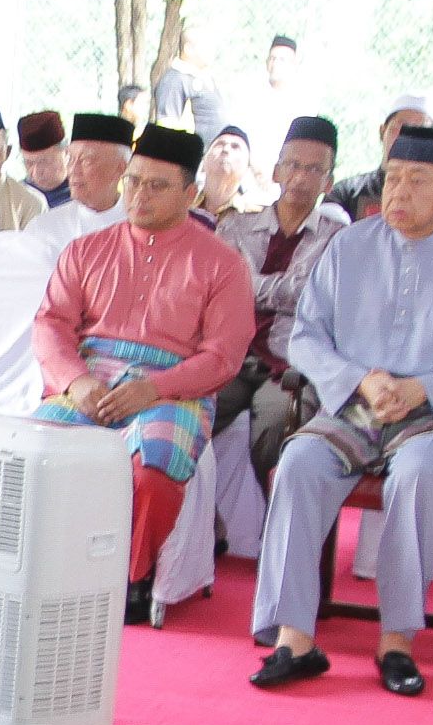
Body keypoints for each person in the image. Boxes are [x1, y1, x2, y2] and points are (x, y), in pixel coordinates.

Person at [250, 124, 433, 699]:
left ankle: (396, 642)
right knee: (301, 462)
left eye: (416, 182)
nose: (397, 194)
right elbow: (305, 339)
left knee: (418, 475)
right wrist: (361, 380)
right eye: (392, 179)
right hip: (359, 406)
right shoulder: (350, 246)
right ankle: (294, 638)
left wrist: (426, 387)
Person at [28, 123, 255, 622]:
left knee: (152, 468)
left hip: (175, 386)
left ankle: (133, 577)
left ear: (190, 192)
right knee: (36, 452)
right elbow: (50, 324)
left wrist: (153, 389)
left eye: (157, 185)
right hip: (90, 379)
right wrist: (76, 380)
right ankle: (47, 567)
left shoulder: (223, 264)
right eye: (133, 181)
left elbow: (222, 357)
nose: (139, 194)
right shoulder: (86, 250)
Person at [212, 113, 348, 482]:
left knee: (274, 427)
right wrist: (282, 288)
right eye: (293, 165)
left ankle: (266, 533)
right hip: (230, 356)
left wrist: (250, 285)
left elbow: (313, 298)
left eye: (314, 169)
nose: (301, 177)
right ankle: (202, 527)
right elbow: (222, 289)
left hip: (291, 365)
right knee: (190, 414)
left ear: (328, 182)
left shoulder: (338, 240)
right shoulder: (235, 225)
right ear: (275, 171)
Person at [17, 111, 131, 259]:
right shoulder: (42, 228)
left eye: (86, 161)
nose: (74, 170)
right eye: (71, 159)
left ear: (120, 168)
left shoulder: (142, 226)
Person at [328, 93, 431, 222]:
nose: (409, 138)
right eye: (402, 128)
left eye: (422, 131)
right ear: (382, 132)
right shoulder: (345, 193)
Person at [235, 33, 307, 168]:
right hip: (247, 169)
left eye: (282, 60)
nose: (275, 64)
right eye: (272, 58)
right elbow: (239, 137)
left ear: (293, 65)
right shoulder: (249, 95)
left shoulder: (301, 103)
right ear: (267, 62)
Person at [150, 48, 225, 146]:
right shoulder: (174, 80)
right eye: (206, 47)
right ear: (188, 49)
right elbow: (167, 128)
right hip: (194, 155)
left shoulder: (206, 78)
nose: (212, 51)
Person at [197, 124, 262, 221]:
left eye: (235, 147)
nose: (226, 150)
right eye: (219, 145)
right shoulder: (180, 206)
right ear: (203, 164)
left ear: (247, 169)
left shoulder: (256, 219)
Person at [13, 108, 70, 206]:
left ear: (67, 152)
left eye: (44, 162)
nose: (36, 172)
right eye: (29, 163)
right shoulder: (15, 197)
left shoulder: (86, 198)